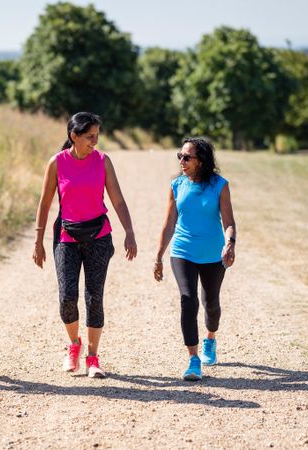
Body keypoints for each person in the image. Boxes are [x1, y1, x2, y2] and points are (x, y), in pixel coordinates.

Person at [33, 112, 137, 378]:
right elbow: (45, 204)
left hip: (99, 237)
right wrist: (38, 240)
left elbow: (118, 199)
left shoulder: (103, 161)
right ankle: (74, 345)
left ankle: (92, 357)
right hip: (66, 238)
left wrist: (129, 231)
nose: (95, 141)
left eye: (97, 136)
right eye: (90, 136)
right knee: (67, 296)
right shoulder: (56, 163)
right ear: (74, 136)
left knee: (94, 296)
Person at [153, 137, 236, 381]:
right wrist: (158, 256)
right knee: (188, 300)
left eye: (187, 157)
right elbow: (169, 224)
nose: (182, 161)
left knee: (211, 303)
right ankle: (193, 359)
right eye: (180, 156)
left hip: (213, 253)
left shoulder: (220, 185)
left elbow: (229, 222)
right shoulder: (176, 184)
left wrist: (230, 244)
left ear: (201, 161)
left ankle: (210, 338)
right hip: (183, 251)